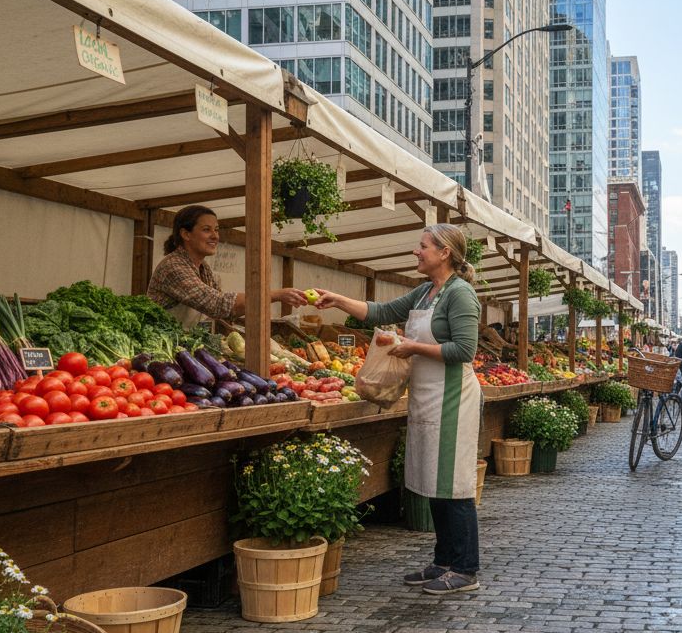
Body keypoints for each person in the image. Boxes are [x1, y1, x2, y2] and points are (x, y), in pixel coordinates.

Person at [313, 224, 483, 595]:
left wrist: (413, 347)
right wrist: (338, 300)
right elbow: (381, 311)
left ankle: (466, 568)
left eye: (423, 246)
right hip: (427, 395)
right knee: (434, 480)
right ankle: (443, 561)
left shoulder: (461, 294)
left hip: (453, 397)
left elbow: (464, 351)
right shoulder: (425, 293)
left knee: (453, 482)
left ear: (444, 253)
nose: (416, 252)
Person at [148, 205, 306, 328]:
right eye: (206, 230)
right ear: (186, 234)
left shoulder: (204, 269)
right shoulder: (174, 267)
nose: (215, 236)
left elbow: (226, 312)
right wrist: (275, 295)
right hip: (160, 348)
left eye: (216, 230)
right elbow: (217, 304)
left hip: (181, 344)